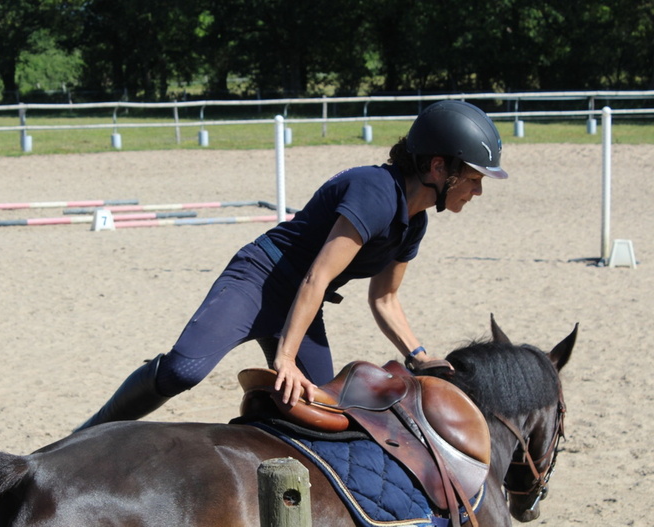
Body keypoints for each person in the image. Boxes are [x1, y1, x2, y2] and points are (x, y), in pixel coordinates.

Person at [75, 100, 508, 431]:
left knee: (320, 411)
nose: (477, 191)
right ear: (438, 166)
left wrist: (418, 355)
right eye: (473, 178)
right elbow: (317, 275)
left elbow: (385, 297)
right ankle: (87, 435)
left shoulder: (412, 225)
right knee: (182, 371)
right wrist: (285, 357)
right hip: (258, 280)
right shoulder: (375, 191)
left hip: (301, 303)